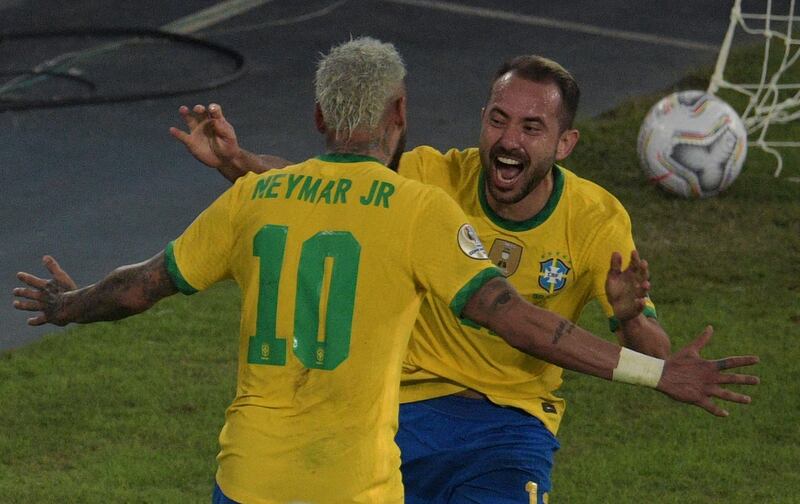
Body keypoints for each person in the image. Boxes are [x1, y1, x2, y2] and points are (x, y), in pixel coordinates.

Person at [15, 40, 759, 504]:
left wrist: (633, 318)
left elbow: (323, 187)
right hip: (400, 421)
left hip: (506, 429)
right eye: (497, 119)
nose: (507, 139)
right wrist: (240, 163)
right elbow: (348, 190)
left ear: (564, 144)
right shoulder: (430, 188)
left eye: (531, 128)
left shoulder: (597, 221)